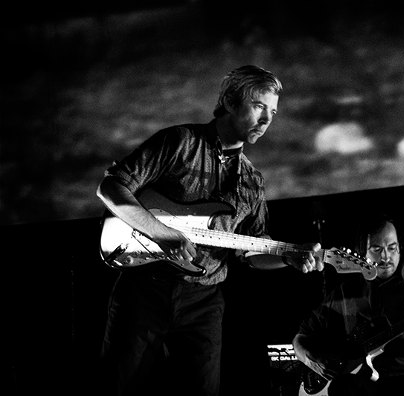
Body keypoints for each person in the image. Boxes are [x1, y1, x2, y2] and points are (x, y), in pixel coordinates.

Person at [96, 64, 323, 396]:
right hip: (146, 289)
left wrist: (287, 257)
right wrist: (161, 233)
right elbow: (111, 187)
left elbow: (250, 252)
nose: (267, 120)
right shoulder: (180, 143)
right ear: (231, 101)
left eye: (272, 111)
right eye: (259, 106)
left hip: (204, 301)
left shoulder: (252, 182)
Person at [293, 214, 404, 396]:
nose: (386, 256)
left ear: (400, 250)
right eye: (376, 249)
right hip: (363, 385)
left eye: (392, 248)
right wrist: (311, 360)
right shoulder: (345, 292)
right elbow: (300, 338)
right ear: (362, 252)